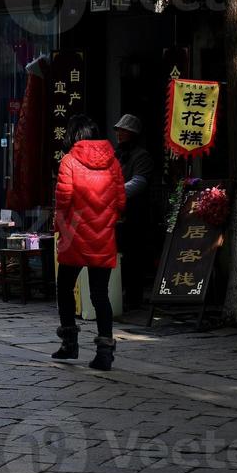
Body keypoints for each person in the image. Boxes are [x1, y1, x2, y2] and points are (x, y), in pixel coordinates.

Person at [52, 116, 125, 371]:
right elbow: (121, 200)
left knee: (64, 288)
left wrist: (59, 226)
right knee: (99, 295)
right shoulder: (113, 162)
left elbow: (63, 200)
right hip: (103, 236)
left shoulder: (69, 161)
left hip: (75, 235)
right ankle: (105, 352)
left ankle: (69, 344)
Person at [113, 114, 157, 309]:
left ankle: (134, 297)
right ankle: (119, 293)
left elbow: (139, 183)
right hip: (117, 212)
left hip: (135, 212)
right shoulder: (116, 154)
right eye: (119, 130)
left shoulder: (142, 156)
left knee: (134, 256)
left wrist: (112, 193)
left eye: (124, 131)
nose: (120, 134)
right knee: (119, 254)